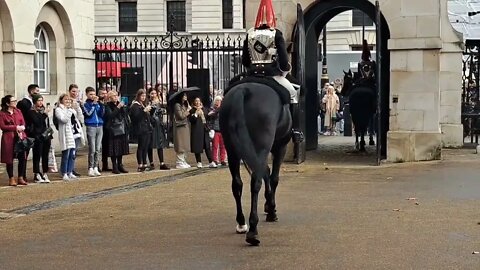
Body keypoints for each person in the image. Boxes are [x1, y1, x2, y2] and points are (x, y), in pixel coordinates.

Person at [241, 0, 303, 143]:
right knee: (294, 94)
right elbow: (283, 61)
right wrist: (285, 68)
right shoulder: (276, 34)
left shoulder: (249, 34)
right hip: (271, 75)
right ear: (272, 17)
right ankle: (295, 130)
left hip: (251, 74)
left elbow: (245, 60)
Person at [0, 95, 28, 186]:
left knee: (22, 157)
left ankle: (20, 177)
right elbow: (3, 126)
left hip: (20, 136)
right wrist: (15, 127)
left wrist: (22, 127)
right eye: (13, 101)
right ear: (7, 103)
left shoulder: (18, 111)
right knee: (9, 158)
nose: (15, 102)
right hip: (9, 137)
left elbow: (22, 122)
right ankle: (11, 178)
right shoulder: (2, 113)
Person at [28, 94, 52, 183]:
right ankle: (37, 173)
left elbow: (46, 123)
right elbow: (37, 122)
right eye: (39, 100)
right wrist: (45, 114)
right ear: (34, 102)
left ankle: (45, 172)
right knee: (37, 155)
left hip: (45, 135)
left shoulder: (42, 111)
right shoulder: (31, 112)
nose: (41, 102)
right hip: (37, 136)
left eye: (41, 100)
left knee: (45, 155)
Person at [104, 91, 130, 174]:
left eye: (116, 95)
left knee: (121, 147)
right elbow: (111, 115)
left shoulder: (120, 104)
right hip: (113, 129)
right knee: (114, 148)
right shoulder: (107, 106)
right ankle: (114, 166)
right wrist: (118, 107)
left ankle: (120, 164)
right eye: (113, 96)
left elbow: (125, 115)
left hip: (121, 128)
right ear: (110, 97)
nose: (115, 97)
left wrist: (123, 107)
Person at [55, 94, 78, 181]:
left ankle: (70, 171)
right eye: (66, 99)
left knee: (72, 154)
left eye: (69, 100)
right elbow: (63, 119)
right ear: (61, 100)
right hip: (64, 134)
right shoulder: (58, 110)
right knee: (66, 154)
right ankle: (64, 172)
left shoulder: (70, 109)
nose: (68, 101)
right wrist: (69, 111)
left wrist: (73, 108)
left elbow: (76, 117)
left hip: (71, 133)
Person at [130, 89, 153, 172]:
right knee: (141, 146)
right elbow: (136, 118)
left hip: (146, 128)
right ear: (138, 96)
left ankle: (145, 163)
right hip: (140, 128)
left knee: (146, 146)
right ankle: (140, 164)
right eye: (142, 96)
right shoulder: (135, 105)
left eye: (144, 96)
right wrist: (144, 111)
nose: (143, 97)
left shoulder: (143, 104)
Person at [83, 86, 105, 177]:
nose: (92, 96)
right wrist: (93, 105)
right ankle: (90, 167)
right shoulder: (85, 104)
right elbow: (88, 114)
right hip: (91, 126)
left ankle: (96, 166)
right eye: (90, 94)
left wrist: (100, 105)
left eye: (94, 94)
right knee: (92, 148)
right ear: (87, 95)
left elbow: (101, 114)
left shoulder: (98, 103)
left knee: (98, 148)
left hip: (99, 125)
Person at [147, 88, 170, 170]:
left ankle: (162, 163)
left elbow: (162, 110)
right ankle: (151, 163)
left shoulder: (158, 103)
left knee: (160, 144)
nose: (153, 95)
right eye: (152, 93)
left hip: (158, 124)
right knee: (150, 144)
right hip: (151, 125)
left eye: (154, 93)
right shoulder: (147, 103)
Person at [189, 97, 215, 168]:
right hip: (197, 130)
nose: (197, 102)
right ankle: (199, 162)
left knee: (207, 146)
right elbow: (191, 120)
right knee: (197, 146)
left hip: (204, 129)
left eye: (198, 101)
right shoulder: (192, 110)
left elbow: (207, 117)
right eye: (196, 101)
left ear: (201, 102)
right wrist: (196, 114)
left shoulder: (204, 109)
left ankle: (211, 161)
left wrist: (210, 114)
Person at [68, 84, 84, 177]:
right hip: (70, 129)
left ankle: (72, 168)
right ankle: (67, 169)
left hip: (77, 128)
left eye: (76, 91)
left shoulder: (77, 102)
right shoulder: (67, 101)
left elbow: (81, 115)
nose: (75, 93)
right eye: (73, 91)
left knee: (75, 151)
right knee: (69, 151)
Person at [173, 91, 191, 169]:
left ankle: (183, 160)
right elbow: (181, 116)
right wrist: (188, 111)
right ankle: (179, 162)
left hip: (185, 126)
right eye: (184, 96)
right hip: (180, 127)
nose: (186, 97)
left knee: (185, 144)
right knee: (181, 145)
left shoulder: (183, 105)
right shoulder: (177, 105)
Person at [208, 96, 227, 166]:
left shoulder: (223, 109)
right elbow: (210, 115)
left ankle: (222, 159)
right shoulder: (212, 109)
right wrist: (218, 109)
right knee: (215, 146)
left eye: (219, 101)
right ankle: (215, 159)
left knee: (223, 146)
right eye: (217, 100)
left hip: (222, 129)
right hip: (215, 130)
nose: (218, 102)